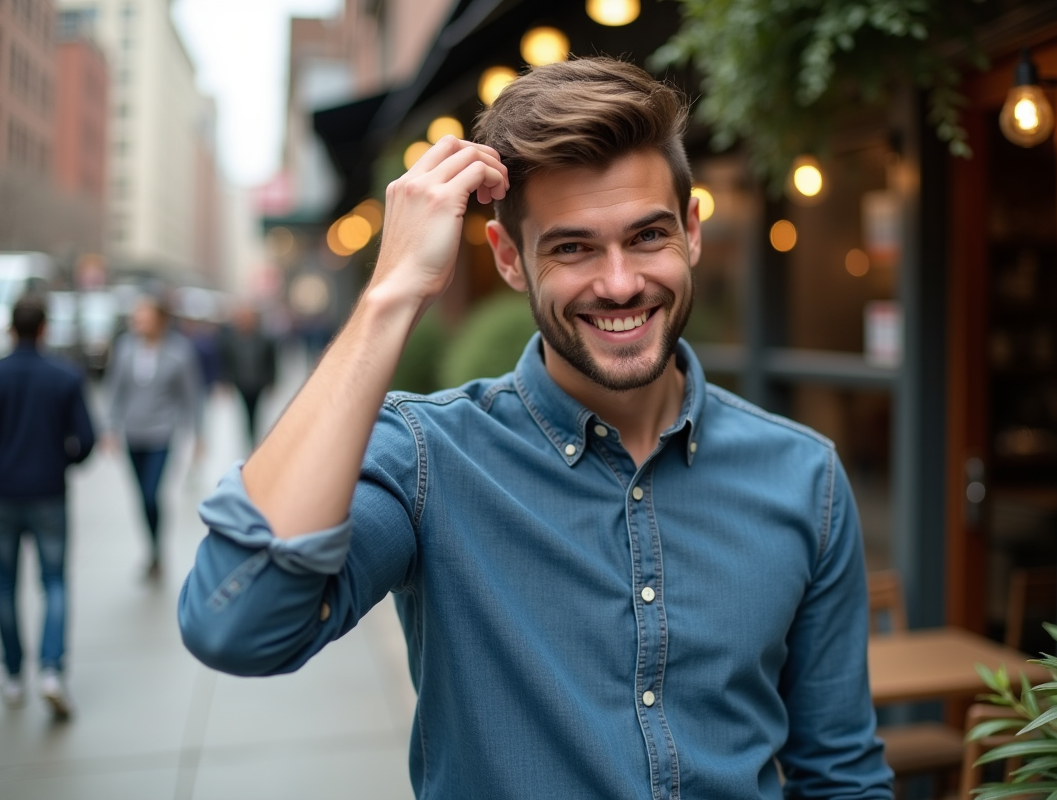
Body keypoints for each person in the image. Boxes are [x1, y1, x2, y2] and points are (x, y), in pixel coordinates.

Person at [179, 58, 891, 798]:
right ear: (510, 259)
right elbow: (238, 622)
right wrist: (391, 294)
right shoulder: (428, 462)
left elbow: (840, 774)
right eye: (572, 247)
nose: (620, 283)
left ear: (691, 233)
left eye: (648, 236)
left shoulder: (804, 476)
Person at [0, 295, 95, 719]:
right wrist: (62, 461)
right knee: (54, 582)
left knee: (4, 586)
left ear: (11, 329)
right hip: (48, 493)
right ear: (44, 329)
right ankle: (51, 670)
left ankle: (13, 672)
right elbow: (86, 439)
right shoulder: (65, 376)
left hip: (3, 494)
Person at [103, 296, 203, 579]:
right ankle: (152, 550)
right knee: (140, 496)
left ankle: (157, 548)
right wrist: (110, 427)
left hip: (162, 433)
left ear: (160, 320)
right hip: (132, 433)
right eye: (136, 318)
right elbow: (115, 390)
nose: (138, 323)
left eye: (144, 317)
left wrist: (198, 434)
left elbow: (192, 395)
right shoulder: (125, 349)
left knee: (151, 494)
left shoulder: (179, 352)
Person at [217, 303, 277, 447]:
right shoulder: (231, 340)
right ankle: (248, 439)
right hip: (241, 383)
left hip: (258, 383)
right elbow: (227, 362)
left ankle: (254, 438)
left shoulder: (264, 339)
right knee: (244, 414)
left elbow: (271, 362)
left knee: (256, 413)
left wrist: (272, 381)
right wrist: (226, 381)